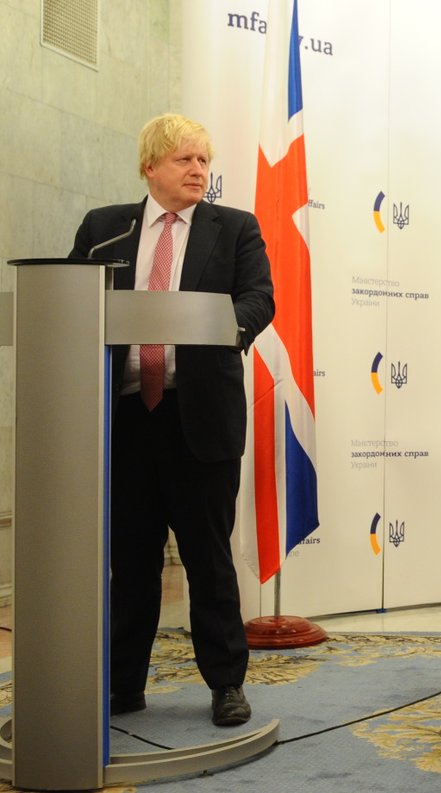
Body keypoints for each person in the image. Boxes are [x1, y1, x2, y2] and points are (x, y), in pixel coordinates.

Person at [69, 113, 275, 726]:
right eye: (185, 159)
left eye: (203, 161)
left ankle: (226, 684)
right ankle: (122, 686)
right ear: (150, 166)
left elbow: (258, 298)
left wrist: (219, 328)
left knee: (208, 561)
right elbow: (72, 301)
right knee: (130, 563)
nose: (198, 171)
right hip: (125, 419)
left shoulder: (234, 228)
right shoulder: (104, 229)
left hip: (199, 417)